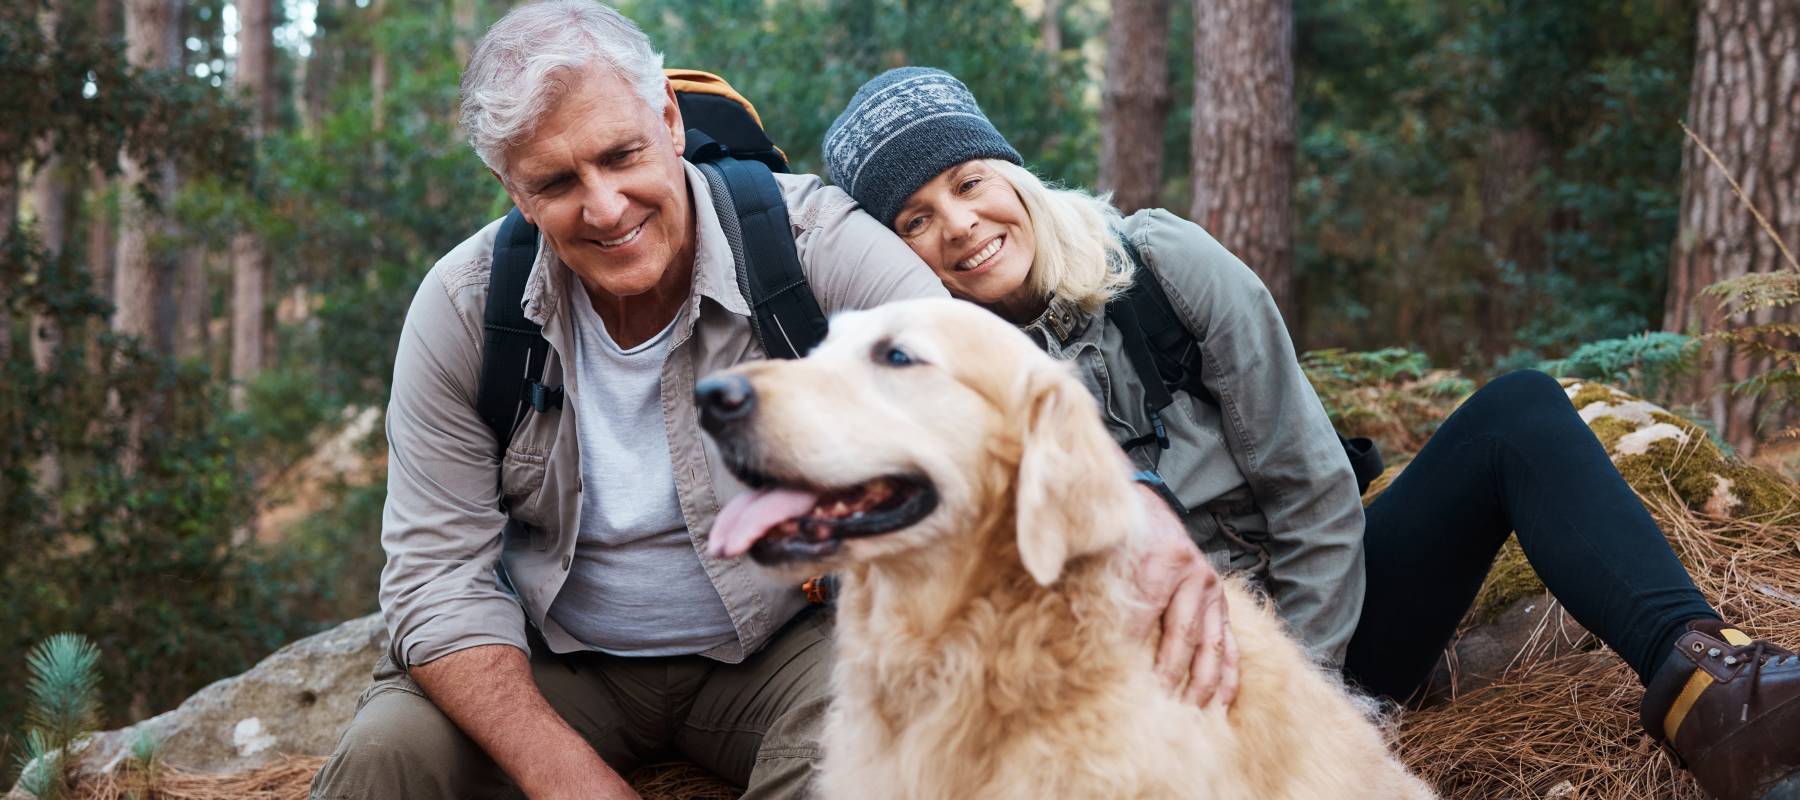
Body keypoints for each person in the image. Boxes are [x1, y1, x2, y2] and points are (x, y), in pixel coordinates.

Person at [310, 6, 1233, 799]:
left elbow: (989, 381)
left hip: (789, 641)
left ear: (668, 119)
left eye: (621, 154)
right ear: (512, 189)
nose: (605, 206)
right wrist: (569, 776)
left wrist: (1137, 503)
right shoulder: (465, 306)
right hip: (558, 656)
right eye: (555, 183)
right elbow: (436, 580)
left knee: (864, 762)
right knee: (389, 756)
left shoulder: (807, 241)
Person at [824, 66, 1800, 800]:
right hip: (1146, 686)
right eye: (914, 218)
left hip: (1324, 620)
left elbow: (1308, 481)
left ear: (1014, 173)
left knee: (1519, 412)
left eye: (968, 180)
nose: (959, 223)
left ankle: (1715, 686)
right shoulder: (942, 383)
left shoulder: (1161, 263)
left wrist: (1316, 696)